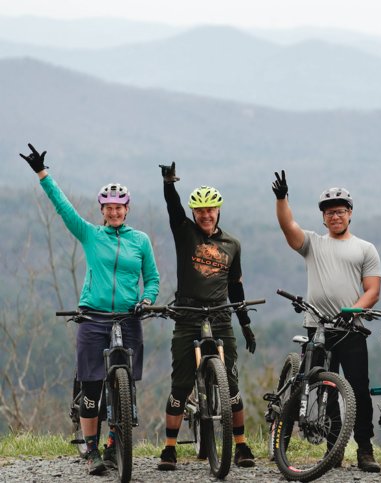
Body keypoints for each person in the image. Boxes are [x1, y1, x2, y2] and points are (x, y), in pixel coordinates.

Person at [19, 143, 160, 475]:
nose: (114, 212)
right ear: (102, 209)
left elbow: (151, 279)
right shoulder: (91, 235)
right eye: (108, 207)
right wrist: (43, 174)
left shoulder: (140, 241)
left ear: (127, 209)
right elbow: (64, 209)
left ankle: (115, 445)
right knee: (92, 387)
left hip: (128, 317)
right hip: (93, 317)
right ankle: (92, 451)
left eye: (119, 207)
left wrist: (147, 300)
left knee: (124, 385)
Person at [272, 170, 381, 473]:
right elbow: (288, 226)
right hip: (318, 327)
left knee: (358, 390)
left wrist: (352, 310)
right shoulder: (313, 243)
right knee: (325, 388)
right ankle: (334, 450)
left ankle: (365, 449)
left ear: (349, 214)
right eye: (330, 212)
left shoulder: (365, 248)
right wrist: (282, 199)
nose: (335, 216)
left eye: (341, 211)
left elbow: (372, 290)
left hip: (351, 329)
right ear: (323, 218)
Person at [157, 162, 258, 471]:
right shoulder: (185, 233)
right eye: (200, 211)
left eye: (210, 210)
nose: (205, 215)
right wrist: (169, 182)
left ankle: (240, 445)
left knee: (232, 383)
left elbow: (236, 288)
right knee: (181, 383)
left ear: (218, 211)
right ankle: (170, 448)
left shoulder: (232, 245)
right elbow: (173, 209)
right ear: (195, 213)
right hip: (187, 314)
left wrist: (246, 326)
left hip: (220, 316)